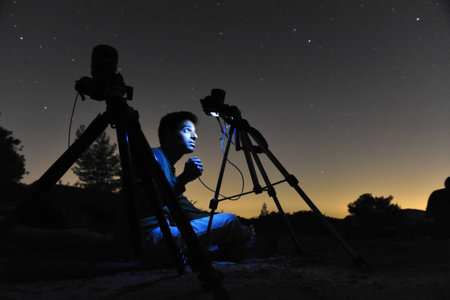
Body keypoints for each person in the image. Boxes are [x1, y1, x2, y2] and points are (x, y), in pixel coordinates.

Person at [139, 111, 249, 260]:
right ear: (167, 134)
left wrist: (216, 221)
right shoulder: (152, 157)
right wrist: (183, 179)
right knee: (230, 221)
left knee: (230, 224)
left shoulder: (168, 167)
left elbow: (187, 210)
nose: (195, 136)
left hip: (158, 235)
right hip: (150, 237)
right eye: (187, 130)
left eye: (194, 132)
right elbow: (146, 200)